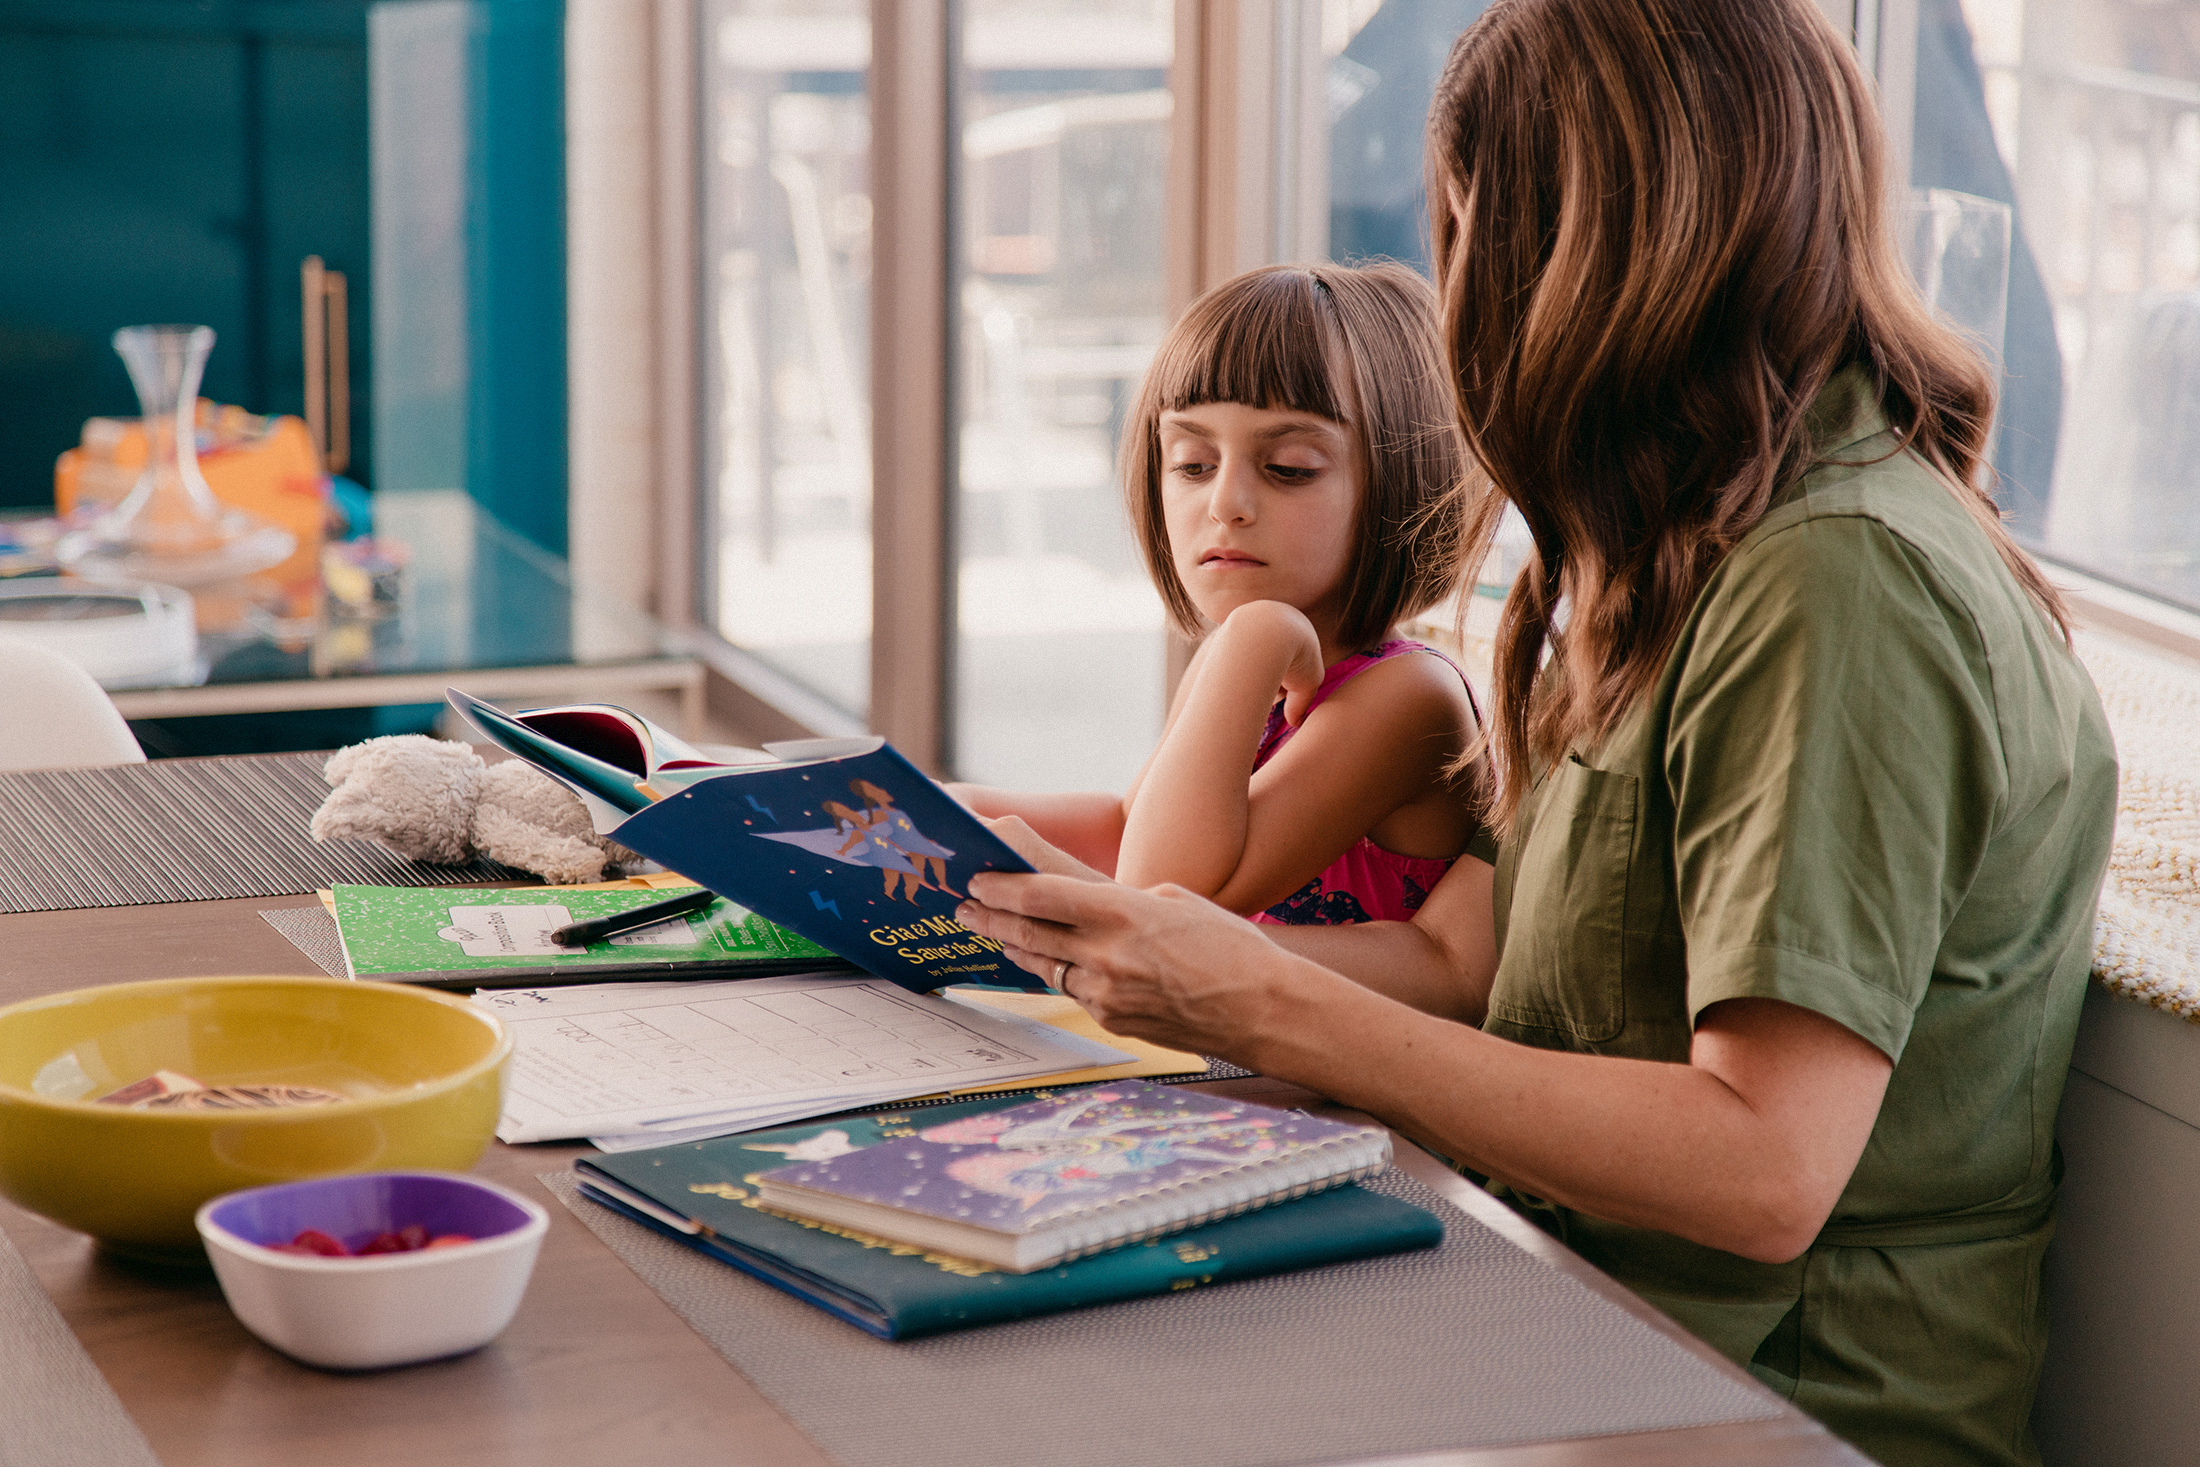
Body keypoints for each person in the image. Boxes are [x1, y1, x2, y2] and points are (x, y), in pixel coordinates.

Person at [952, 3, 2116, 1464]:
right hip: (1545, 1312)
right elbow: (1484, 966)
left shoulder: (1842, 584)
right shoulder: (1688, 548)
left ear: (1574, 249)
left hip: (1751, 1402)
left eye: (1467, 232)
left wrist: (1261, 1000)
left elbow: (1765, 1166)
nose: (1457, 301)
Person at [951, 263, 1484, 927]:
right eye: (1193, 464)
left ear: (1402, 482)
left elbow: (1165, 897)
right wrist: (949, 813)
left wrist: (1252, 639)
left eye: (1289, 468)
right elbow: (1128, 829)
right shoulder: (1245, 659)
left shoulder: (1407, 697)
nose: (1225, 503)